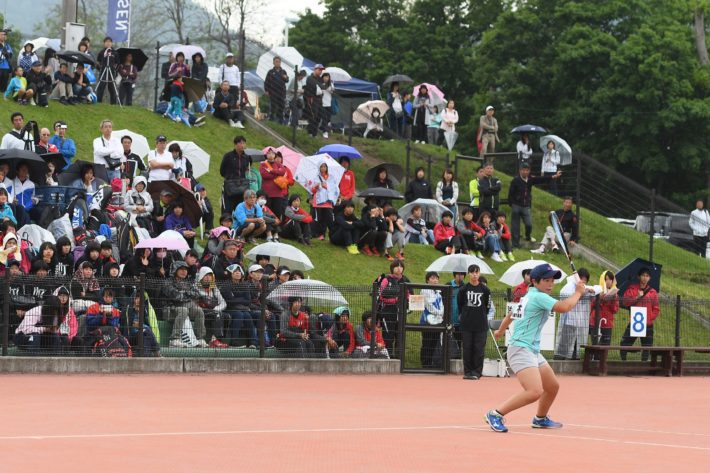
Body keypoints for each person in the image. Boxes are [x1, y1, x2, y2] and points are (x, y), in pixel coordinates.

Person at [485, 263, 586, 433]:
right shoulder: (539, 297)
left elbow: (510, 316)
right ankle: (495, 414)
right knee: (534, 391)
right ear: (535, 281)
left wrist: (500, 331)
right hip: (520, 349)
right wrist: (578, 292)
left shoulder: (527, 296)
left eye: (552, 280)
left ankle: (540, 418)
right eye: (546, 280)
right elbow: (564, 307)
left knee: (552, 386)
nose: (551, 283)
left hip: (531, 350)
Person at [508, 162, 562, 248]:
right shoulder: (515, 180)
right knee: (515, 226)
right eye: (523, 170)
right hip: (516, 205)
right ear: (520, 170)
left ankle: (527, 236)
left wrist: (553, 176)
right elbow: (510, 193)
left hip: (526, 206)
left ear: (529, 171)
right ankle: (515, 244)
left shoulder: (530, 179)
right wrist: (512, 204)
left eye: (527, 170)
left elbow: (541, 179)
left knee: (529, 224)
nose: (525, 172)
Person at [161, 261, 208, 348]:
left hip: (185, 308)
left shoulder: (188, 282)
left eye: (186, 269)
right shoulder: (168, 282)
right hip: (169, 310)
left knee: (199, 310)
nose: (184, 271)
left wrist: (185, 293)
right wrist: (188, 294)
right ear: (175, 270)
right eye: (181, 269)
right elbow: (177, 297)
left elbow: (197, 294)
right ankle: (174, 339)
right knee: (183, 310)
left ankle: (200, 338)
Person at [554, 268, 598, 360]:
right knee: (565, 342)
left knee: (577, 342)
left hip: (580, 321)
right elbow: (563, 295)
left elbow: (597, 291)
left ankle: (575, 357)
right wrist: (578, 294)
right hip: (569, 320)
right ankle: (560, 358)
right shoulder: (569, 286)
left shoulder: (585, 288)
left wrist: (590, 291)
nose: (583, 283)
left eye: (585, 281)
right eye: (582, 280)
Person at [457, 265, 492, 380]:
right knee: (467, 348)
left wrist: (481, 314)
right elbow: (460, 305)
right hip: (466, 324)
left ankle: (477, 372)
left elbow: (487, 306)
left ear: (479, 273)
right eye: (472, 272)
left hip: (481, 324)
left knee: (479, 349)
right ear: (468, 274)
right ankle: (467, 372)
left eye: (477, 272)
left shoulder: (485, 289)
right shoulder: (463, 289)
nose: (474, 275)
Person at [619, 267, 660, 361]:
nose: (645, 278)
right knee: (624, 344)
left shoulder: (653, 292)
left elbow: (656, 309)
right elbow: (625, 302)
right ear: (639, 276)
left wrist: (649, 318)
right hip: (634, 322)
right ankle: (623, 362)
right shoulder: (632, 288)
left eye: (647, 276)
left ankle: (644, 364)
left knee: (647, 347)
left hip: (647, 324)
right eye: (643, 275)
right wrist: (636, 297)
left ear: (649, 278)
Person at [374, 259, 410, 357]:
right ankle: (388, 356)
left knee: (400, 336)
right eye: (396, 266)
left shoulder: (406, 280)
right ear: (392, 268)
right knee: (388, 335)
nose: (399, 268)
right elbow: (381, 296)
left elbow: (409, 295)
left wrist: (406, 303)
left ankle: (399, 358)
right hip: (387, 312)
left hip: (401, 312)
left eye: (401, 266)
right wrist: (395, 300)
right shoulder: (386, 279)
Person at [220, 135, 251, 214]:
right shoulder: (228, 156)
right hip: (230, 187)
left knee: (240, 211)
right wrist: (230, 178)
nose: (242, 145)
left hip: (242, 188)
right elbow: (222, 171)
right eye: (240, 143)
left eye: (244, 143)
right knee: (227, 211)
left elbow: (247, 169)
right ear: (235, 144)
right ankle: (225, 226)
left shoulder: (247, 157)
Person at [309, 162, 339, 240]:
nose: (323, 168)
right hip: (318, 201)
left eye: (324, 166)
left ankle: (323, 234)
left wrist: (326, 186)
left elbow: (334, 188)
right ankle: (313, 233)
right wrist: (316, 186)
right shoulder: (316, 177)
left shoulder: (331, 177)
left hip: (328, 201)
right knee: (317, 218)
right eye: (321, 166)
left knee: (327, 218)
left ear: (327, 168)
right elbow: (312, 190)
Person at [589, 270, 619, 347]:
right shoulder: (596, 291)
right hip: (596, 322)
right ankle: (595, 359)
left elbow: (615, 310)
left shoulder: (615, 293)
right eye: (606, 279)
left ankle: (602, 359)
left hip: (607, 323)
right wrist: (599, 298)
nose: (608, 281)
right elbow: (591, 306)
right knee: (596, 345)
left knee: (605, 346)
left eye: (610, 279)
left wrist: (613, 299)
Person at [420, 271, 444, 368]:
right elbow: (428, 305)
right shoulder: (424, 290)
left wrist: (441, 312)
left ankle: (431, 362)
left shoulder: (438, 291)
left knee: (434, 342)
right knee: (427, 342)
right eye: (432, 278)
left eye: (436, 278)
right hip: (427, 320)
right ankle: (425, 363)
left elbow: (441, 304)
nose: (435, 280)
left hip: (437, 321)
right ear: (427, 280)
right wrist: (438, 312)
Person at [259, 148, 287, 219]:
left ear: (275, 155)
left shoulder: (278, 164)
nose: (271, 155)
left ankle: (276, 228)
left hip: (278, 193)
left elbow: (283, 171)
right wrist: (277, 173)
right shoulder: (263, 164)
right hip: (267, 193)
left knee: (277, 213)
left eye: (272, 153)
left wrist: (271, 171)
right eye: (269, 153)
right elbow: (265, 175)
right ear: (266, 155)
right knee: (267, 212)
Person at [264, 56, 289, 124]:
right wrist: (266, 90)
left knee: (281, 106)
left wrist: (285, 77)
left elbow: (287, 80)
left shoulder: (283, 71)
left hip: (281, 92)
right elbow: (266, 82)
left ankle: (280, 120)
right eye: (276, 61)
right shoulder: (270, 72)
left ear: (280, 63)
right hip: (273, 92)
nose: (277, 63)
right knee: (273, 106)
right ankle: (271, 119)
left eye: (279, 62)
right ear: (273, 63)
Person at [304, 64, 325, 138]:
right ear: (315, 69)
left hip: (319, 99)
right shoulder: (309, 78)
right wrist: (319, 85)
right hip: (312, 99)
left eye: (321, 70)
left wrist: (319, 85)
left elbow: (323, 86)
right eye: (319, 70)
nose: (320, 71)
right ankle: (310, 132)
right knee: (313, 115)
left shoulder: (320, 79)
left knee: (319, 117)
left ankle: (314, 133)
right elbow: (313, 85)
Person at [95, 37, 117, 104]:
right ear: (104, 43)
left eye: (109, 42)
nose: (108, 43)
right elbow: (98, 62)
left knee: (112, 88)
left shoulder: (115, 52)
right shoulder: (101, 52)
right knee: (101, 87)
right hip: (103, 72)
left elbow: (117, 63)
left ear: (111, 43)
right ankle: (99, 101)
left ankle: (113, 103)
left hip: (111, 72)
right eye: (106, 42)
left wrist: (114, 69)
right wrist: (100, 68)